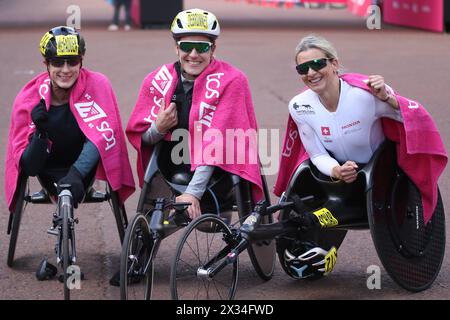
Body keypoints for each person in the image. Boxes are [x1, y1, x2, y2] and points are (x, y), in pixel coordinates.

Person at [274, 34, 447, 278]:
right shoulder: (299, 105)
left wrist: (388, 97)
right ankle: (317, 223)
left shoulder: (366, 94)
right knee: (310, 212)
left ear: (334, 64)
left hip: (380, 177)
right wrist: (336, 170)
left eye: (318, 64)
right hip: (338, 180)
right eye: (303, 68)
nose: (311, 72)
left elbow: (407, 117)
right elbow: (316, 153)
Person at [4, 26, 135, 275]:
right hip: (46, 166)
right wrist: (40, 133)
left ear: (81, 61)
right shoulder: (30, 96)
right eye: (57, 63)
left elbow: (104, 137)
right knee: (37, 166)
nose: (65, 70)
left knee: (98, 140)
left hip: (84, 163)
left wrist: (77, 174)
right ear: (46, 63)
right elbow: (29, 167)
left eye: (72, 61)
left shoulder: (98, 84)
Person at [126, 8, 265, 219]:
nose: (193, 54)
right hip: (172, 163)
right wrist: (158, 128)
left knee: (208, 221)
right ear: (176, 48)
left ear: (213, 49)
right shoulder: (156, 80)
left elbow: (218, 142)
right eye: (186, 46)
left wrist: (193, 192)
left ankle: (210, 204)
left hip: (220, 170)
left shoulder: (233, 80)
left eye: (201, 47)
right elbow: (141, 137)